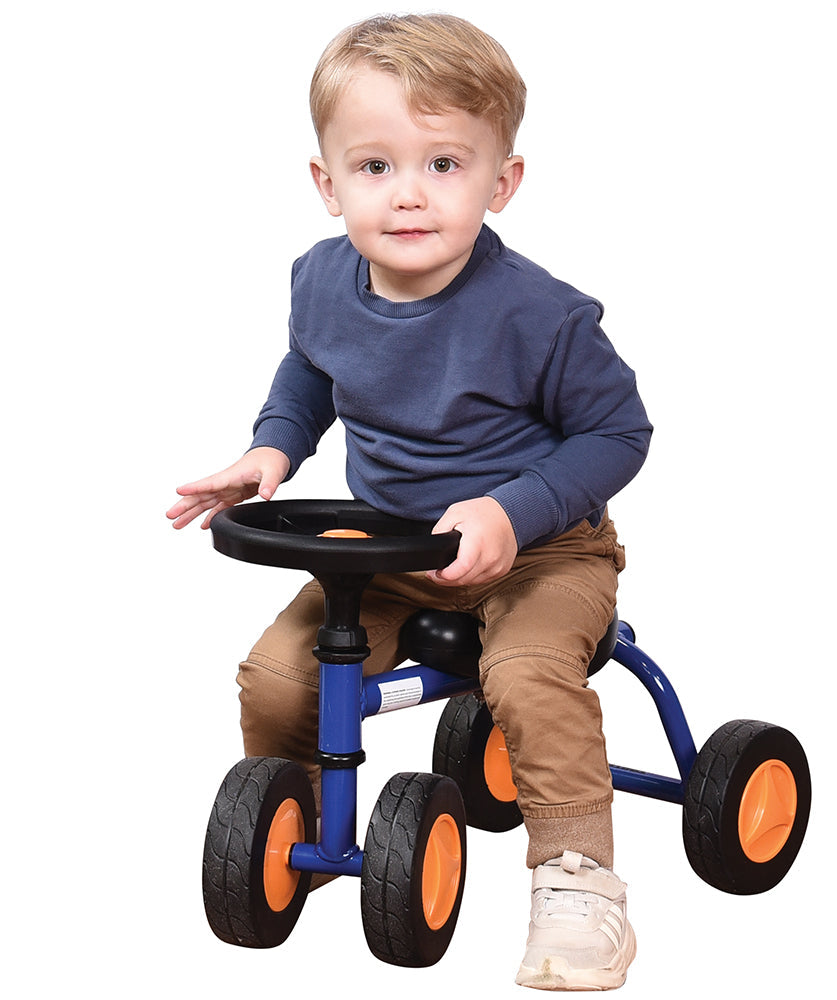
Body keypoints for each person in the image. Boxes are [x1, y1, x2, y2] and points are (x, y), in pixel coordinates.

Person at [168, 13, 651, 991]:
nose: (408, 195)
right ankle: (291, 817)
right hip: (389, 548)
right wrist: (273, 444)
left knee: (521, 672)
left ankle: (577, 880)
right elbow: (310, 371)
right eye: (376, 166)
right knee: (274, 676)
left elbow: (617, 434)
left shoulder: (539, 315)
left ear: (501, 181)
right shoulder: (321, 281)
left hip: (544, 551)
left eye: (444, 163)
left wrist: (514, 510)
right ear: (327, 181)